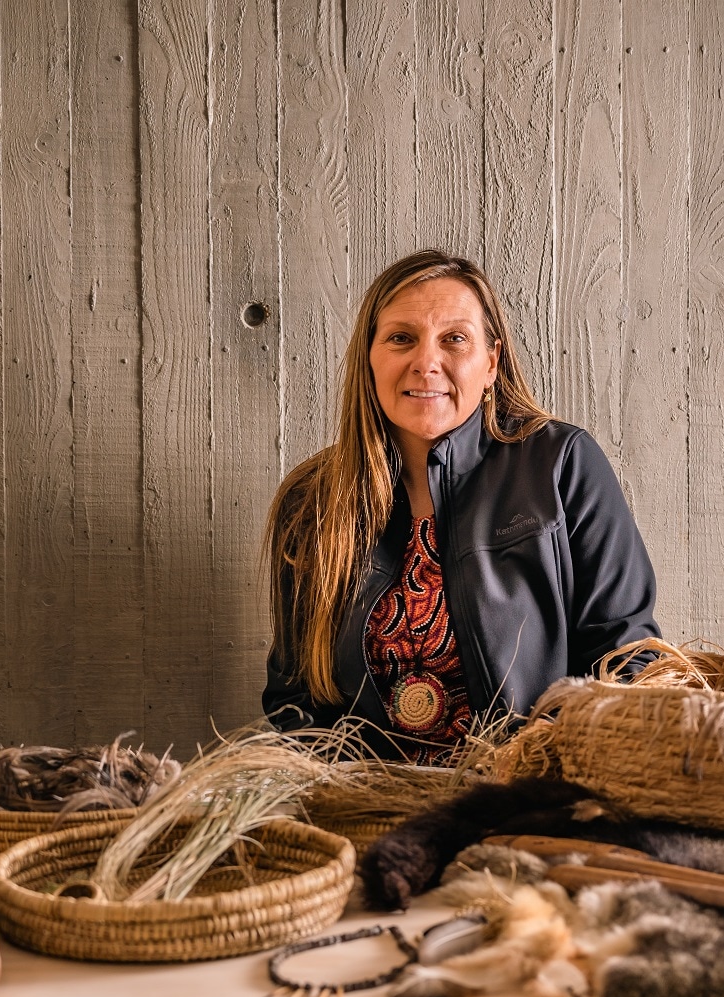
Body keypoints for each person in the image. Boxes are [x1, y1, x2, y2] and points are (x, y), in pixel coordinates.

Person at [262, 249, 660, 762]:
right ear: (369, 358)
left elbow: (627, 660)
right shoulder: (313, 500)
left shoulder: (561, 464)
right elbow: (295, 701)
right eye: (401, 338)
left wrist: (539, 778)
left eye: (454, 339)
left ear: (491, 362)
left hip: (534, 792)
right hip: (367, 801)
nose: (425, 362)